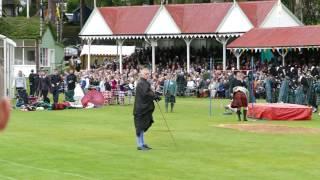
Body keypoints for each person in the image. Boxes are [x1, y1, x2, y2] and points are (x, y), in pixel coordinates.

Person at [133, 68, 160, 151]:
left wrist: (155, 96)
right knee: (140, 126)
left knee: (142, 126)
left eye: (148, 74)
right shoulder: (141, 83)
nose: (147, 75)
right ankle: (140, 144)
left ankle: (142, 143)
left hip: (144, 108)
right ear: (142, 74)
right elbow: (146, 94)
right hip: (141, 109)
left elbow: (149, 92)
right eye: (146, 74)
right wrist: (154, 96)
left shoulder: (145, 83)